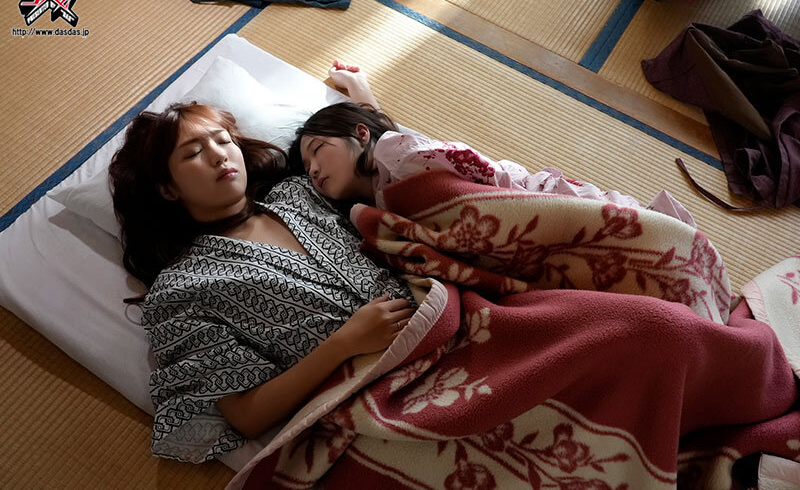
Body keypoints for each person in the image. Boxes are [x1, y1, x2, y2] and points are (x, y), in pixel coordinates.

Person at [109, 102, 416, 462]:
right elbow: (246, 416)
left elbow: (378, 165)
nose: (218, 155)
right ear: (167, 189)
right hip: (369, 399)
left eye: (223, 141)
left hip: (438, 320)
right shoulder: (180, 289)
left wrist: (363, 100)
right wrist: (344, 343)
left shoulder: (300, 191)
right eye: (193, 153)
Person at [290, 61, 697, 227]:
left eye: (317, 151)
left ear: (361, 135)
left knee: (620, 223)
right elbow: (370, 128)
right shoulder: (369, 201)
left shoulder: (395, 153)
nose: (313, 170)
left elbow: (473, 172)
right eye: (307, 168)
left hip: (529, 198)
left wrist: (358, 87)